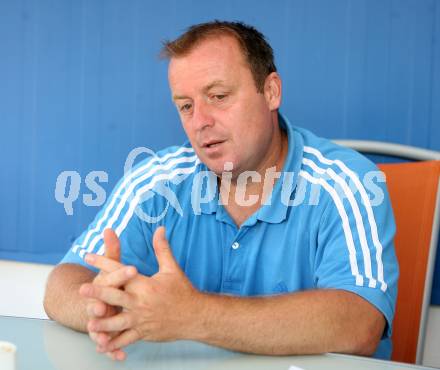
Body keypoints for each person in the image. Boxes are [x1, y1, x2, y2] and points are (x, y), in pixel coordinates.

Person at [44, 20, 399, 361]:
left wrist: (193, 315)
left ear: (271, 91)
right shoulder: (156, 180)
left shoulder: (348, 182)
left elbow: (360, 322)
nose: (200, 122)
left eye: (218, 96)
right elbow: (64, 283)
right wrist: (103, 308)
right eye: (185, 106)